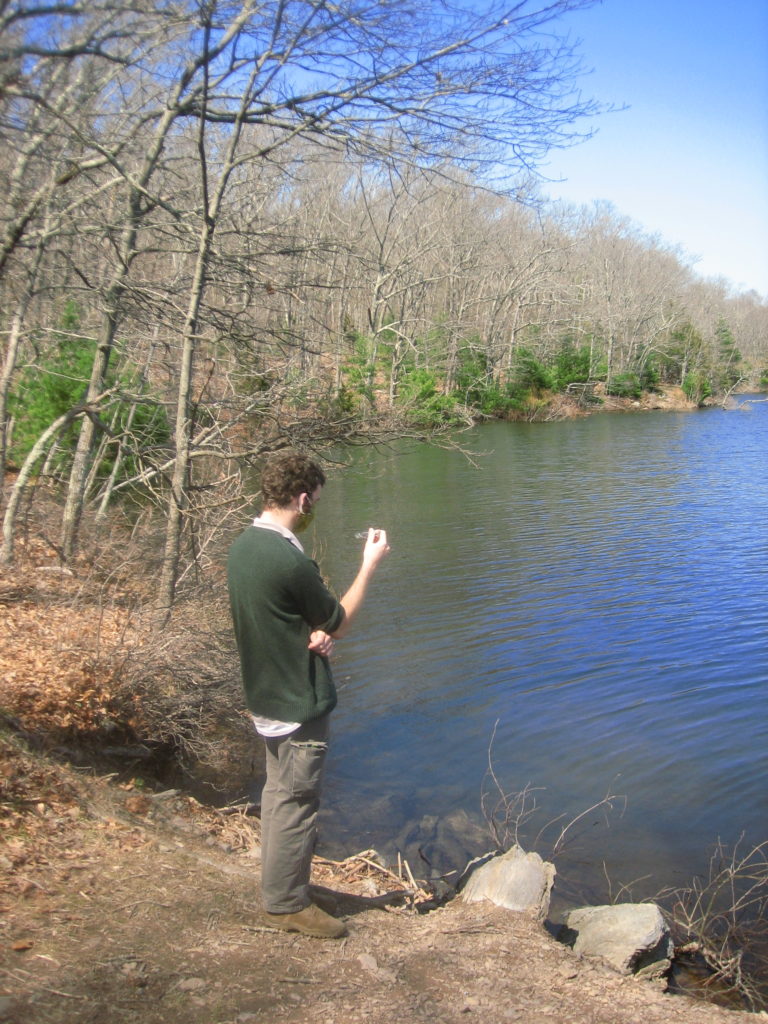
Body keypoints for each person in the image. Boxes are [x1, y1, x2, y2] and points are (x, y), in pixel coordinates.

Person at [227, 452, 390, 939]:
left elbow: (273, 616)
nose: (312, 508)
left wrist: (306, 632)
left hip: (265, 694)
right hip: (296, 703)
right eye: (314, 502)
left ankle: (284, 887)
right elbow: (338, 622)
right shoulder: (287, 556)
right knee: (297, 802)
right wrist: (369, 565)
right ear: (301, 498)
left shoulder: (244, 546)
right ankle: (285, 906)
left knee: (279, 796)